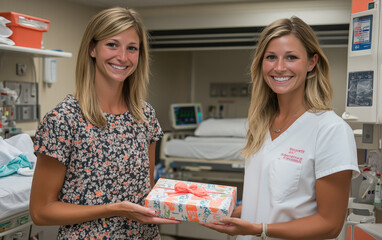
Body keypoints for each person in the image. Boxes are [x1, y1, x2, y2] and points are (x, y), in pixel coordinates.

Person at [201, 16, 360, 240]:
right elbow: (271, 201)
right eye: (271, 57)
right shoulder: (260, 124)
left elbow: (330, 224)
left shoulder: (330, 130)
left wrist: (260, 230)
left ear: (311, 62)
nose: (279, 67)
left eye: (291, 57)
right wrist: (227, 213)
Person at [29, 7, 179, 239]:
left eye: (132, 48)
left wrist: (185, 203)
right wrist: (115, 209)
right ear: (92, 49)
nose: (122, 57)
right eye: (112, 45)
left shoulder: (145, 116)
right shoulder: (64, 119)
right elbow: (41, 212)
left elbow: (146, 193)